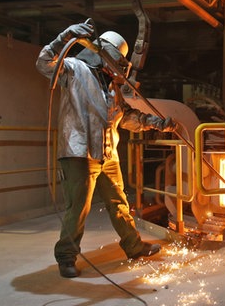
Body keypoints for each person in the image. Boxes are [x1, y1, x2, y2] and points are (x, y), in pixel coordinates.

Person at [36, 22, 176, 278]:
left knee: (119, 202)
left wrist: (157, 124)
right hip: (78, 152)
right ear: (103, 53)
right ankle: (66, 256)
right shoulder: (74, 69)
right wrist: (65, 36)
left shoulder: (110, 86)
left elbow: (128, 117)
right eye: (117, 59)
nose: (118, 66)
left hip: (107, 153)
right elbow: (44, 62)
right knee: (78, 208)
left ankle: (133, 247)